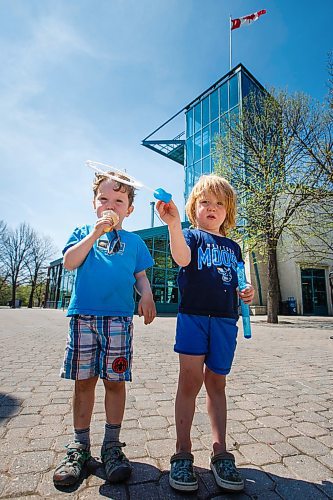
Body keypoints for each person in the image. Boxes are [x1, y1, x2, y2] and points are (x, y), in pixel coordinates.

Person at [53, 171, 156, 487]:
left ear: (129, 209)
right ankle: (79, 447)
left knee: (114, 381)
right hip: (84, 318)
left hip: (119, 322)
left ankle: (111, 446)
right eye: (104, 199)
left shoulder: (135, 242)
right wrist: (93, 234)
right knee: (84, 382)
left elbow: (140, 276)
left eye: (119, 200)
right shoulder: (83, 231)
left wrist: (148, 295)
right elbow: (70, 262)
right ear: (94, 203)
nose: (110, 205)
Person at [156, 174, 254, 493]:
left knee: (216, 382)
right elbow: (181, 258)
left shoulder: (234, 247)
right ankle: (183, 452)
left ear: (228, 210)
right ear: (193, 208)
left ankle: (220, 450)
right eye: (205, 202)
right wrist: (172, 225)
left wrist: (247, 291)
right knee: (190, 380)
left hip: (226, 321)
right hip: (193, 318)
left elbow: (240, 281)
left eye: (219, 203)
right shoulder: (191, 237)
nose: (212, 208)